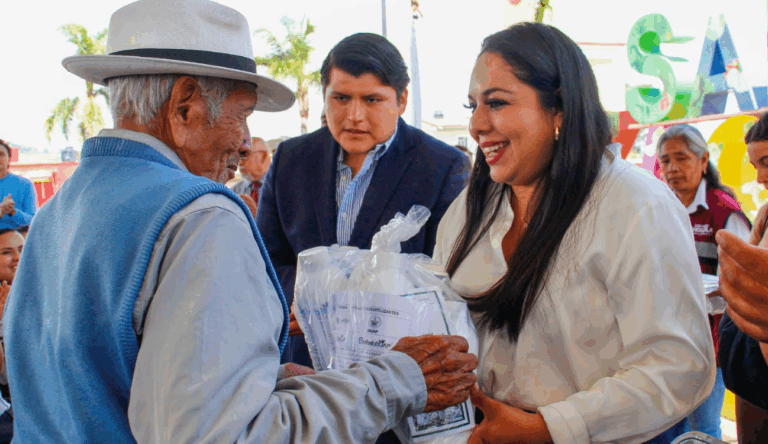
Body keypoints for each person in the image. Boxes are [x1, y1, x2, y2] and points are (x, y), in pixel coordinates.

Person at [3, 1, 478, 443]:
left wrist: (259, 377)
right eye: (242, 115)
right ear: (185, 105)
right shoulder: (201, 217)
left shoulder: (60, 209)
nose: (248, 142)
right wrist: (397, 379)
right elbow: (227, 435)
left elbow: (117, 378)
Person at [432, 23, 715, 444]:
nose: (476, 125)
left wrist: (548, 427)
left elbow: (676, 366)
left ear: (560, 112)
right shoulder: (469, 209)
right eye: (472, 104)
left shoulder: (635, 204)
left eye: (496, 102)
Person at [258, 33, 470, 444]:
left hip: (401, 377)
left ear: (401, 100)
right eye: (341, 98)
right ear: (325, 96)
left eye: (372, 100)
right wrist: (304, 299)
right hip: (309, 381)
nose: (354, 115)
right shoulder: (291, 159)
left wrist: (351, 301)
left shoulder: (442, 165)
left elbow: (447, 277)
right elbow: (265, 260)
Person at [656, 123, 751, 440]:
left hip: (713, 338)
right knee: (669, 425)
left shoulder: (723, 209)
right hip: (670, 336)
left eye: (681, 158)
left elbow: (746, 282)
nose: (672, 169)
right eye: (665, 160)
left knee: (705, 427)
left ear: (703, 160)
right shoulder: (660, 205)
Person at [719, 112, 768, 419]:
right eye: (755, 165)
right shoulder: (765, 214)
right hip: (750, 387)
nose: (760, 176)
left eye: (767, 161)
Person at [229, 136, 271, 217]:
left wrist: (257, 217)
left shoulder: (282, 188)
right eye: (238, 157)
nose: (240, 162)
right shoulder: (235, 190)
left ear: (263, 156)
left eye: (244, 155)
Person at [0, 141, 36, 230]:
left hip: (17, 242)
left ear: (9, 158)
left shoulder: (25, 185)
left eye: (1, 154)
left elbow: (33, 221)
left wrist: (12, 211)